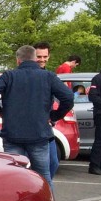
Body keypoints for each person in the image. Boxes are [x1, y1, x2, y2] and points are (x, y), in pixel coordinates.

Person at [0, 45, 74, 190]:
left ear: (18, 60)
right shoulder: (48, 76)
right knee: (43, 177)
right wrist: (54, 116)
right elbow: (68, 97)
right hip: (39, 134)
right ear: (35, 58)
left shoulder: (9, 76)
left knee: (14, 177)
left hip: (13, 134)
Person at [34, 41, 61, 177]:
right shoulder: (26, 75)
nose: (42, 59)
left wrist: (54, 116)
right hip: (31, 128)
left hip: (46, 127)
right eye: (39, 56)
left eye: (45, 56)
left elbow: (67, 97)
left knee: (53, 164)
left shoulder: (50, 76)